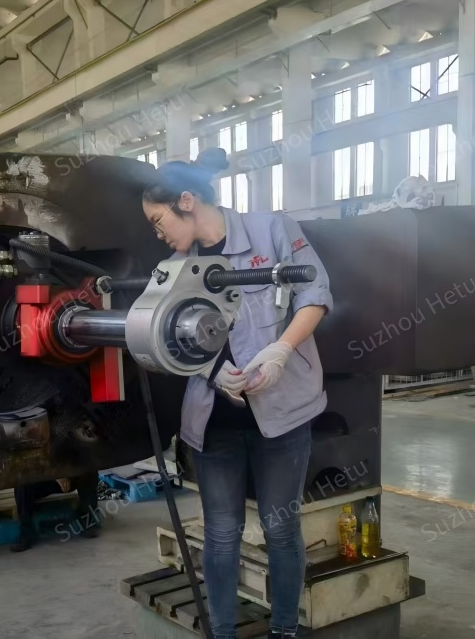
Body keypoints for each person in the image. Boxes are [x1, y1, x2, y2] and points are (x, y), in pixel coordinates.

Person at [141, 148, 332, 639]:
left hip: (283, 414)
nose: (158, 233)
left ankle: (285, 630)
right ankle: (222, 633)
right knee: (221, 533)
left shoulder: (271, 230)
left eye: (159, 221)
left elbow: (315, 294)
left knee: (281, 527)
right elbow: (164, 341)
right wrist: (210, 372)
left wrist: (281, 351)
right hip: (215, 422)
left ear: (187, 201)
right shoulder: (175, 268)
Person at [11, 472, 101, 552]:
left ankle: (86, 520)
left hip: (69, 478)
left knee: (89, 471)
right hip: (42, 479)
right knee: (22, 481)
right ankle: (27, 532)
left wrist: (64, 474)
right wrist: (55, 475)